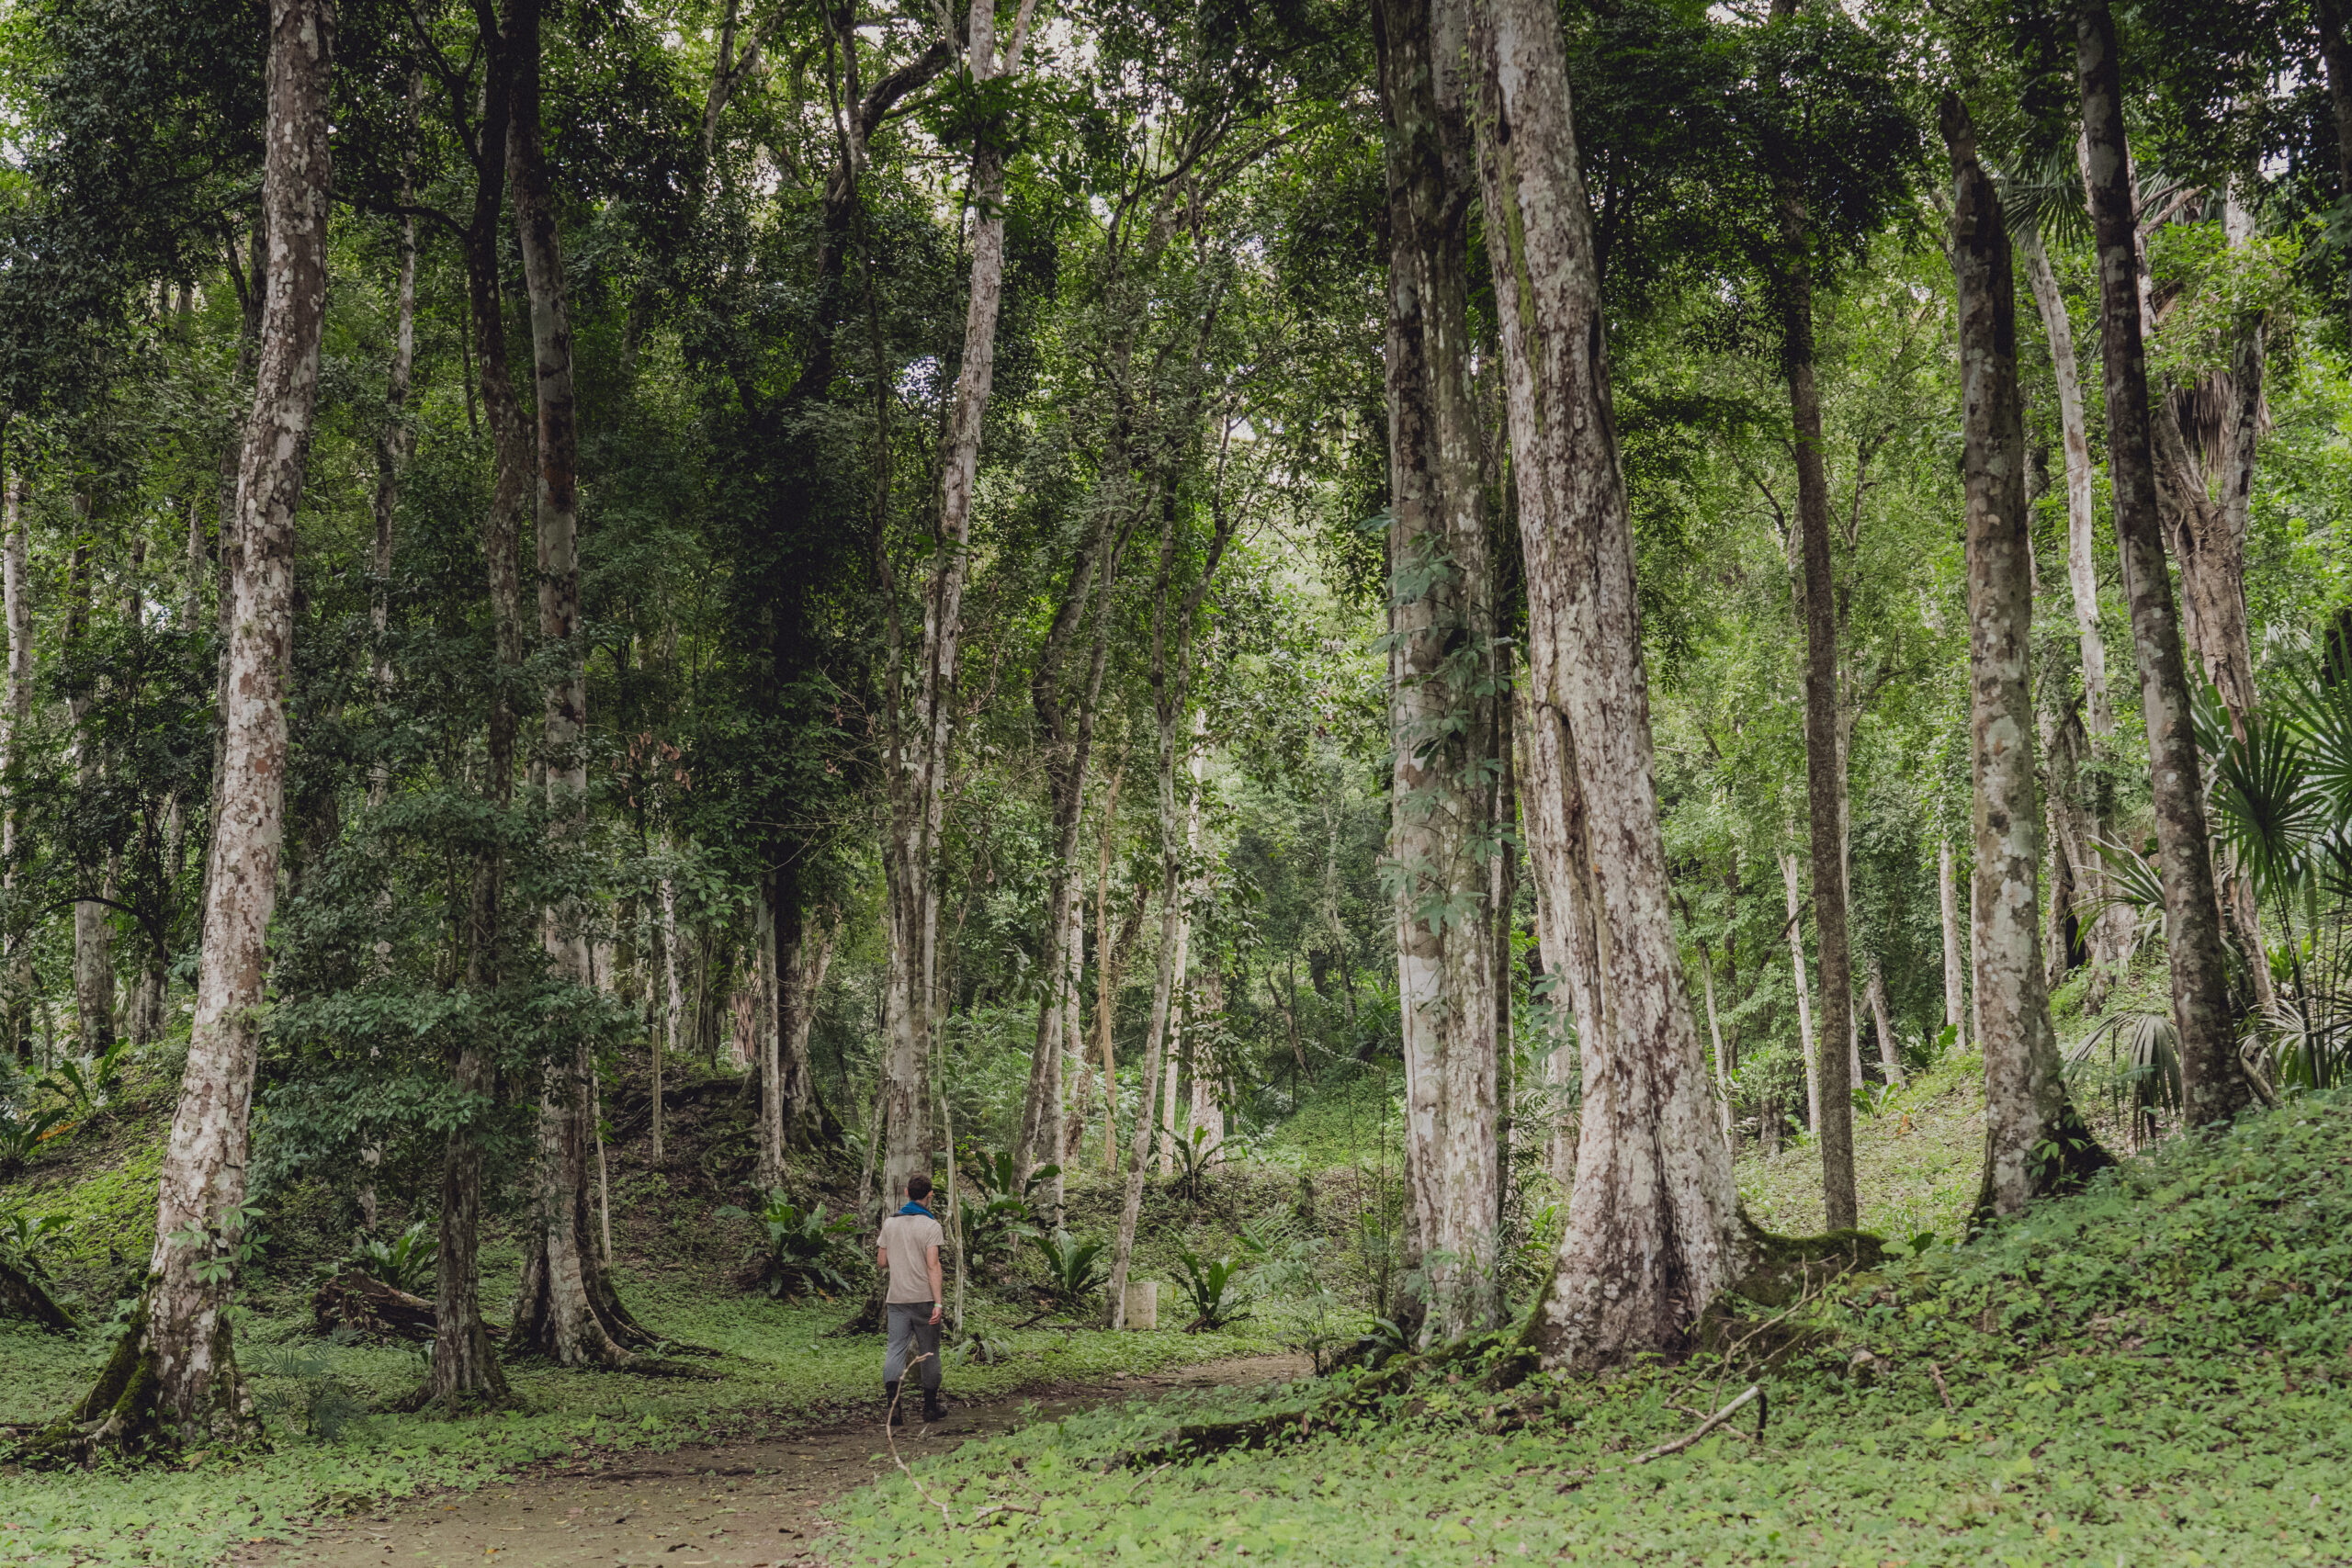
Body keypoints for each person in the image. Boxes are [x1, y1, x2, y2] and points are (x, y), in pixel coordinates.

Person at [876, 1173, 946, 1425]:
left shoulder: (890, 1223)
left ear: (906, 1193)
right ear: (930, 1195)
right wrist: (938, 1302)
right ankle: (930, 1408)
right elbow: (933, 1265)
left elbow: (882, 1262)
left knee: (895, 1349)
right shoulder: (931, 1226)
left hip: (897, 1298)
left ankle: (894, 1408)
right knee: (929, 1352)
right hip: (924, 1299)